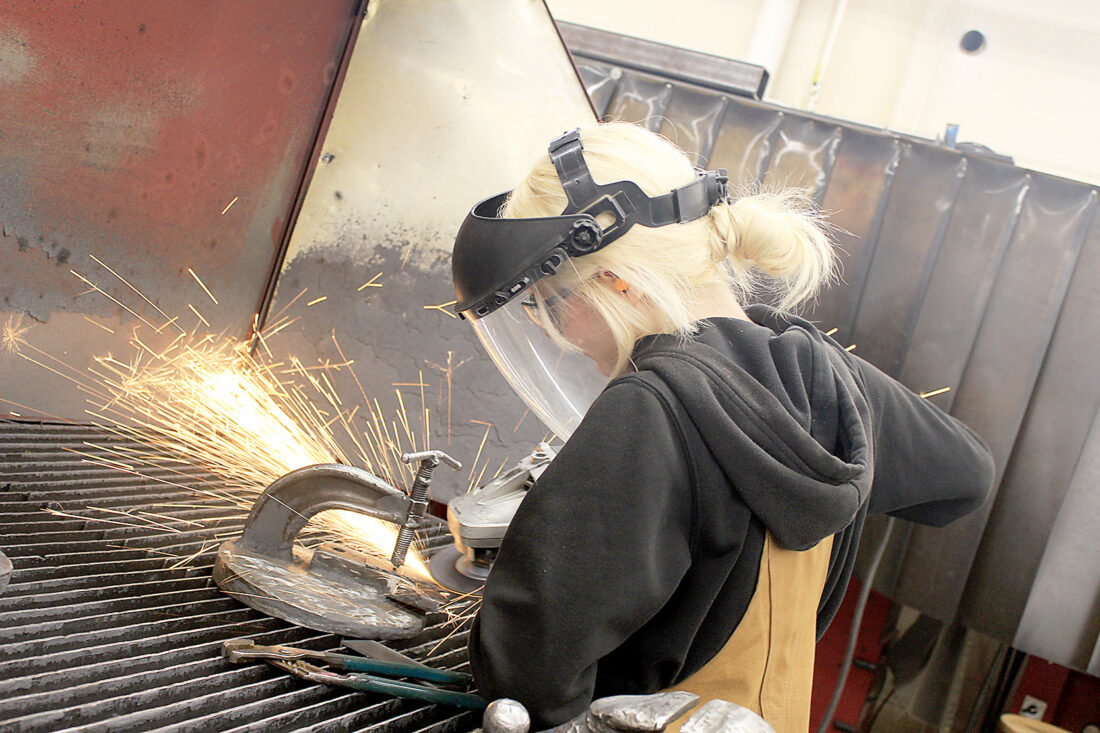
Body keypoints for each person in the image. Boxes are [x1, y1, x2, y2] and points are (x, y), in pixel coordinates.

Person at [449, 122, 994, 731]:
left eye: (549, 302)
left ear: (617, 279)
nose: (558, 335)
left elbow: (522, 674)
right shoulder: (829, 378)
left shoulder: (648, 407)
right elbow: (967, 475)